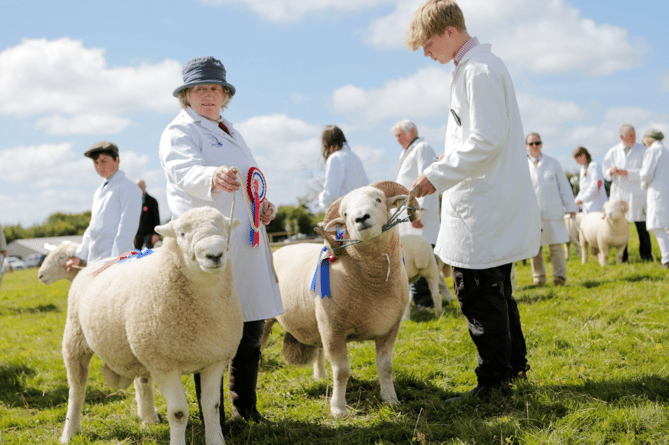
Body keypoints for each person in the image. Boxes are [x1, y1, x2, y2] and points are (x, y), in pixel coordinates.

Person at [405, 0, 541, 402]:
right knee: (498, 292)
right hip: (490, 201)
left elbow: (486, 139)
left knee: (478, 292)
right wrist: (449, 159)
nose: (427, 54)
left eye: (428, 44)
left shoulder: (478, 71)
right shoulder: (477, 67)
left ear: (450, 32)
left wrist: (436, 175)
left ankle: (494, 382)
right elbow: (480, 137)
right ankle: (513, 369)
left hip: (483, 207)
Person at [159, 56, 283, 426]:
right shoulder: (180, 131)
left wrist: (261, 206)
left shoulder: (230, 129)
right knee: (210, 335)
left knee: (249, 330)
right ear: (186, 96)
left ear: (225, 94)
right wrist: (212, 175)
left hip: (245, 239)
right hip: (210, 244)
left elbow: (248, 181)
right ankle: (211, 418)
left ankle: (245, 407)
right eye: (199, 89)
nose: (208, 95)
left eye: (215, 88)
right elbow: (183, 170)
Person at [65, 142, 142, 272]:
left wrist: (115, 262)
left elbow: (127, 229)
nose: (99, 166)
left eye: (104, 161)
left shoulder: (129, 188)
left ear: (117, 160)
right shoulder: (99, 191)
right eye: (96, 163)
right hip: (96, 263)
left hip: (117, 265)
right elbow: (93, 228)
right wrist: (79, 255)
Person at [392, 119, 440, 308]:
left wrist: (417, 212)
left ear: (411, 131)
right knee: (412, 256)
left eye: (400, 135)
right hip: (408, 213)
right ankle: (420, 299)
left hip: (419, 214)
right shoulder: (406, 152)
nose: (397, 140)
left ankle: (427, 300)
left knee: (423, 255)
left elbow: (427, 179)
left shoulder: (423, 148)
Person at [526, 133, 577, 286]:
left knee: (556, 247)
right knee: (535, 249)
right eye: (531, 143)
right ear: (526, 146)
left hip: (553, 211)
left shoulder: (553, 163)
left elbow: (564, 186)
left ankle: (560, 276)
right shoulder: (521, 164)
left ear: (541, 144)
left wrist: (570, 207)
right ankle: (539, 278)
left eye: (537, 143)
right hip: (532, 213)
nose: (535, 146)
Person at [602, 124, 653, 262]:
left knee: (642, 227)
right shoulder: (613, 152)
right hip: (620, 195)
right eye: (630, 135)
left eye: (634, 134)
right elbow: (605, 173)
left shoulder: (643, 150)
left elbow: (646, 171)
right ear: (621, 137)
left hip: (637, 195)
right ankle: (623, 258)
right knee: (621, 228)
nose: (633, 137)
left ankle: (647, 256)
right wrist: (611, 171)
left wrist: (628, 173)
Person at [317, 125, 369, 210]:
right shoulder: (355, 157)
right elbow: (366, 185)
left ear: (326, 142)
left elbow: (331, 193)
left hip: (345, 212)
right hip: (361, 209)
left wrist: (321, 197)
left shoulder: (335, 158)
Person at [639, 130, 669, 268]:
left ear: (648, 140)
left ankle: (666, 259)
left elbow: (646, 174)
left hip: (657, 194)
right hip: (665, 193)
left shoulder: (652, 151)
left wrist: (642, 183)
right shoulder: (665, 151)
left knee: (658, 227)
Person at [573, 146, 608, 213]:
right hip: (587, 206)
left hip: (596, 205)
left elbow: (596, 185)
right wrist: (576, 200)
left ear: (583, 156)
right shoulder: (583, 168)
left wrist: (582, 199)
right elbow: (583, 189)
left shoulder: (594, 166)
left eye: (577, 159)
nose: (576, 162)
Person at [134, 179, 161, 249]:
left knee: (149, 254)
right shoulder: (133, 202)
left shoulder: (152, 201)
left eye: (141, 186)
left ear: (145, 186)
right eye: (138, 186)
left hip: (149, 234)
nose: (140, 188)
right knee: (135, 256)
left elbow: (156, 218)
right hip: (137, 235)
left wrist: (156, 234)